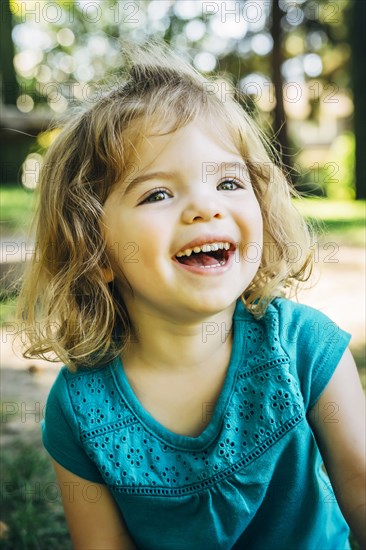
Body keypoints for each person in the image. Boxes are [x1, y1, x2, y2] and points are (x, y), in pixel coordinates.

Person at [17, 43, 365, 550]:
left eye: (227, 181)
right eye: (157, 194)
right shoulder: (79, 408)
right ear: (96, 251)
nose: (206, 206)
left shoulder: (304, 348)